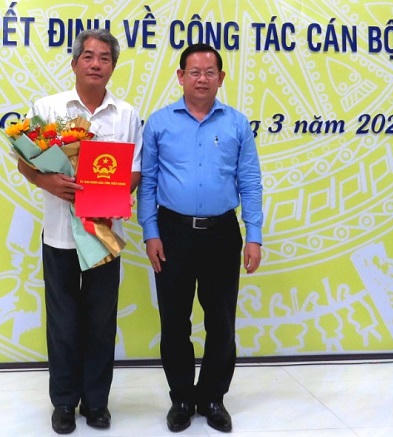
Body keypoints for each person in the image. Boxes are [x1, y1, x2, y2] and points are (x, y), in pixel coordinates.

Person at [16, 29, 143, 434]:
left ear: (113, 66)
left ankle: (97, 403)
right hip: (60, 235)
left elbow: (135, 170)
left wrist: (112, 193)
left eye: (104, 58)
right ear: (74, 64)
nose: (95, 64)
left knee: (101, 323)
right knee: (64, 324)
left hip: (105, 234)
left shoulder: (126, 115)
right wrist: (47, 181)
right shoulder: (48, 108)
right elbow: (25, 161)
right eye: (88, 56)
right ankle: (64, 403)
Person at [137, 43, 263, 433]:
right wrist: (150, 232)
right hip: (172, 232)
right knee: (174, 321)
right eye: (194, 72)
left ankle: (212, 398)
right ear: (180, 77)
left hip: (222, 233)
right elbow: (148, 183)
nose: (202, 79)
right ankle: (181, 399)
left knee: (221, 321)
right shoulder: (159, 123)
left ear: (221, 78)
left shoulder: (237, 124)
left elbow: (250, 182)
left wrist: (254, 236)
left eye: (210, 72)